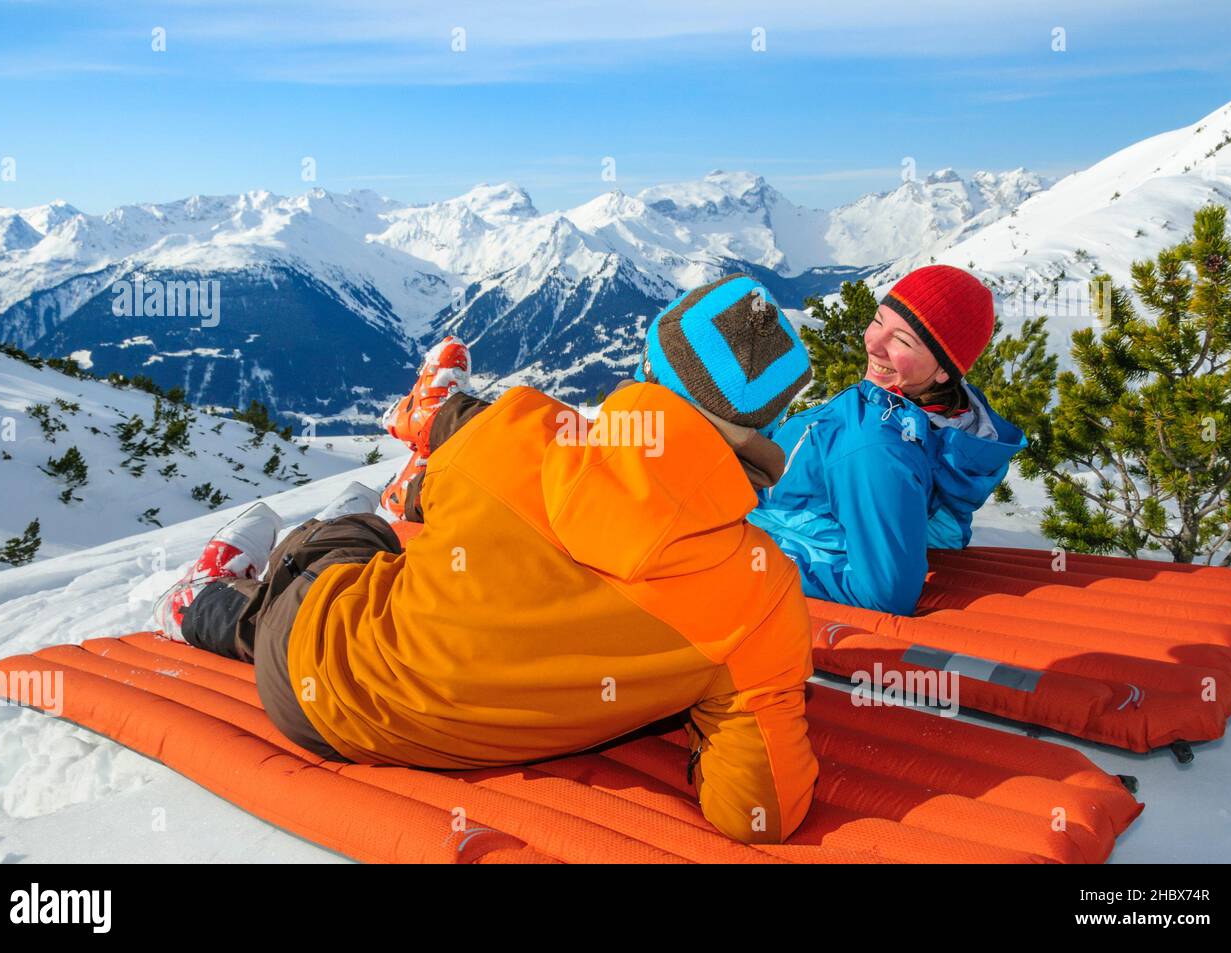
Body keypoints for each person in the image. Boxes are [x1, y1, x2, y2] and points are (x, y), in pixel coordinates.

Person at [154, 273, 820, 845]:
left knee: (353, 540)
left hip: (315, 685)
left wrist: (430, 498)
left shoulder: (522, 430)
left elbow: (463, 499)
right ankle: (421, 430)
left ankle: (203, 599)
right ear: (763, 430)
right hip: (415, 727)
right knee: (395, 530)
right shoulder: (762, 595)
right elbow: (758, 812)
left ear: (646, 371)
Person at [748, 265, 1028, 616]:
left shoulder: (876, 445)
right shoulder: (954, 424)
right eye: (879, 321)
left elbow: (885, 593)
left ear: (944, 370)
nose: (874, 344)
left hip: (764, 551)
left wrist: (746, 563)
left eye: (902, 341)